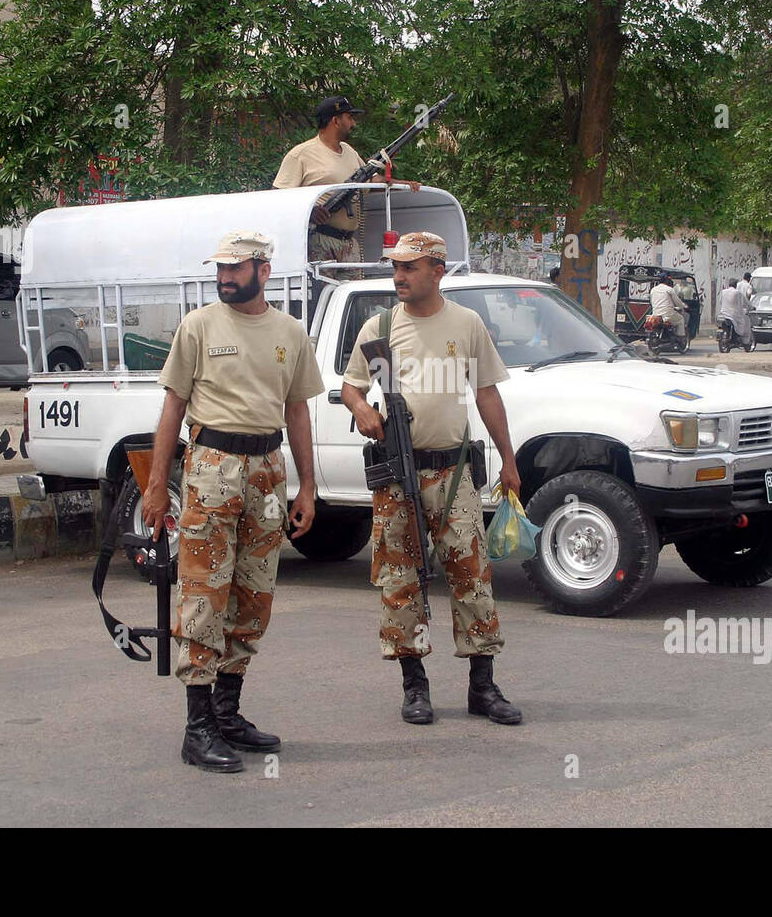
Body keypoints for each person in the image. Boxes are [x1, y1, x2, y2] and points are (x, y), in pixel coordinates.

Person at [143, 231, 324, 773]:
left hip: (268, 473)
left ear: (263, 270)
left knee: (254, 593)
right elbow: (172, 410)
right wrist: (156, 485)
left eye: (235, 268)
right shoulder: (197, 326)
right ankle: (196, 728)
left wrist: (308, 485)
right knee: (204, 592)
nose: (224, 276)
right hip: (212, 468)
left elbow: (297, 413)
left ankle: (227, 713)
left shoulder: (290, 332)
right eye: (220, 268)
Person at [340, 231, 523, 727]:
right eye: (396, 267)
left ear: (438, 270)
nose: (399, 276)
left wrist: (509, 459)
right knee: (399, 579)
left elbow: (487, 395)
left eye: (411, 267)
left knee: (472, 574)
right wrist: (361, 411)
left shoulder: (465, 324)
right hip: (397, 473)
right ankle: (414, 686)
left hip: (454, 469)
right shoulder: (379, 329)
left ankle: (482, 687)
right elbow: (351, 388)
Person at [272, 95, 418, 269]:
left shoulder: (348, 151)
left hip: (349, 242)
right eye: (349, 117)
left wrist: (400, 184)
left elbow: (369, 180)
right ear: (336, 120)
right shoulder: (301, 154)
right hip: (320, 240)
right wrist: (310, 212)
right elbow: (278, 197)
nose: (353, 123)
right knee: (323, 294)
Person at [650, 274, 687, 339]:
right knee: (681, 319)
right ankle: (680, 338)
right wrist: (683, 306)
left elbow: (652, 302)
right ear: (666, 280)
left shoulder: (653, 290)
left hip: (655, 315)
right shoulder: (669, 289)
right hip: (668, 314)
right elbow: (678, 302)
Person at [718, 280, 751, 346]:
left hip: (723, 314)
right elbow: (745, 302)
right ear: (736, 285)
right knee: (742, 323)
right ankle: (739, 339)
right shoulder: (737, 293)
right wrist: (751, 307)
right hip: (732, 315)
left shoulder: (723, 292)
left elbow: (720, 301)